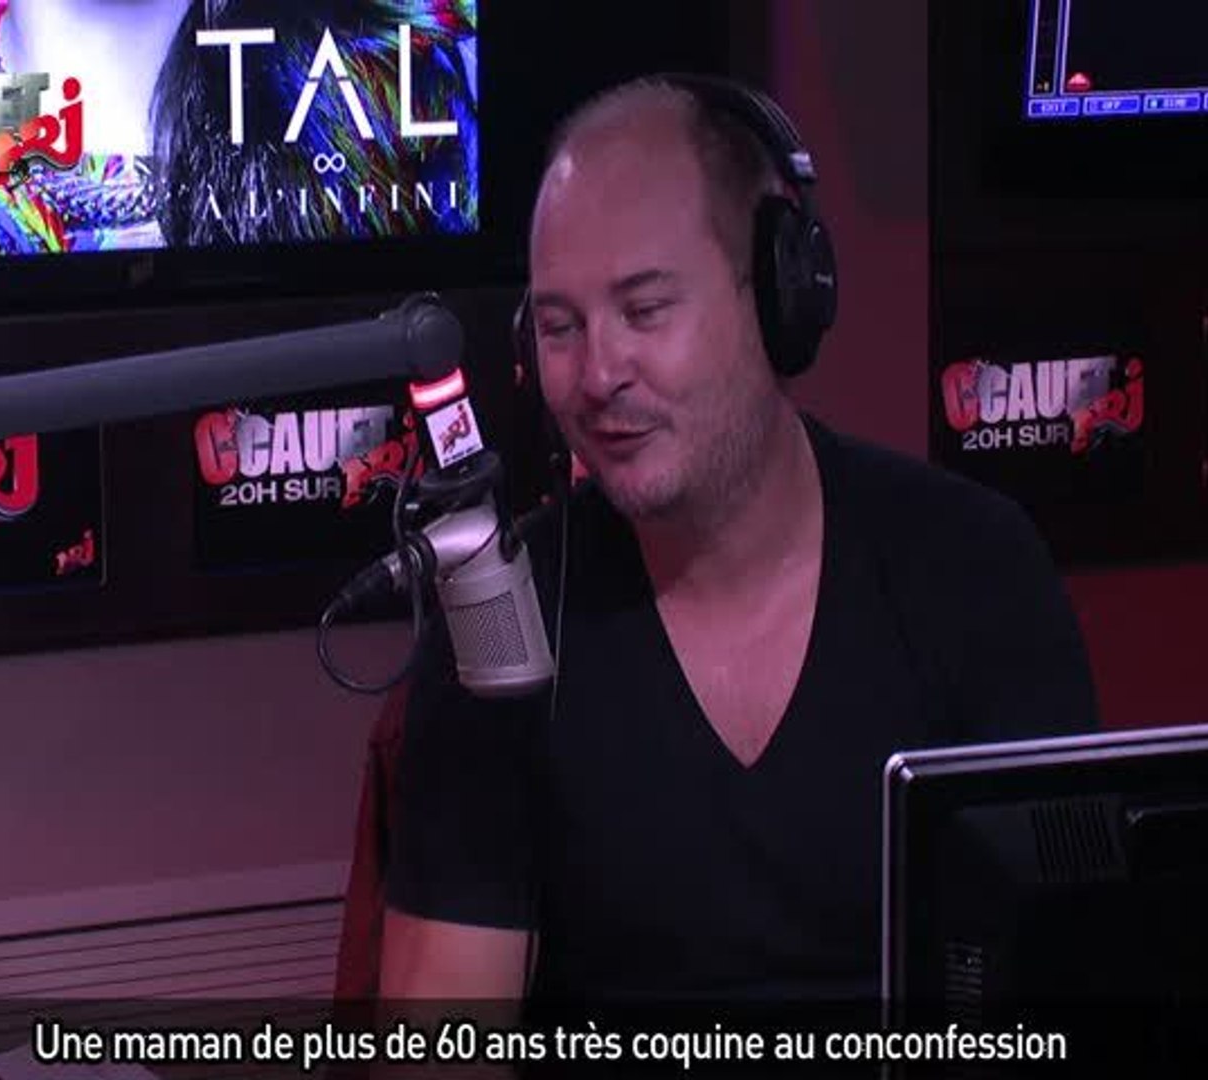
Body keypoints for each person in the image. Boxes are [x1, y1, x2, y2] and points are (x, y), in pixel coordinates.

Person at [377, 75, 1099, 1011]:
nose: (597, 374)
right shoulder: (499, 623)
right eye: (559, 327)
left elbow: (1061, 986)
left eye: (645, 311)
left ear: (780, 294)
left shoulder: (972, 570)